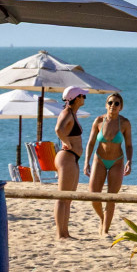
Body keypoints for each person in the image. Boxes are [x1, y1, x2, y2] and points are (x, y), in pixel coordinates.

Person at [84, 92, 133, 235]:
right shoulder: (99, 121)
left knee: (111, 198)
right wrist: (86, 162)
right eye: (110, 103)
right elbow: (91, 142)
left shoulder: (124, 123)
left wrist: (129, 161)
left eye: (116, 103)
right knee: (94, 196)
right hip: (99, 159)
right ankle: (102, 218)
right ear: (106, 105)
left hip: (117, 162)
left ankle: (105, 231)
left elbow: (129, 145)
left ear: (121, 107)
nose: (113, 106)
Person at [53, 87, 88, 239]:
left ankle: (65, 232)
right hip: (66, 156)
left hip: (72, 157)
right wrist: (66, 142)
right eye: (83, 96)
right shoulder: (67, 112)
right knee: (62, 197)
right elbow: (58, 129)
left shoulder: (72, 113)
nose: (84, 99)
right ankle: (61, 234)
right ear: (77, 97)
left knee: (68, 197)